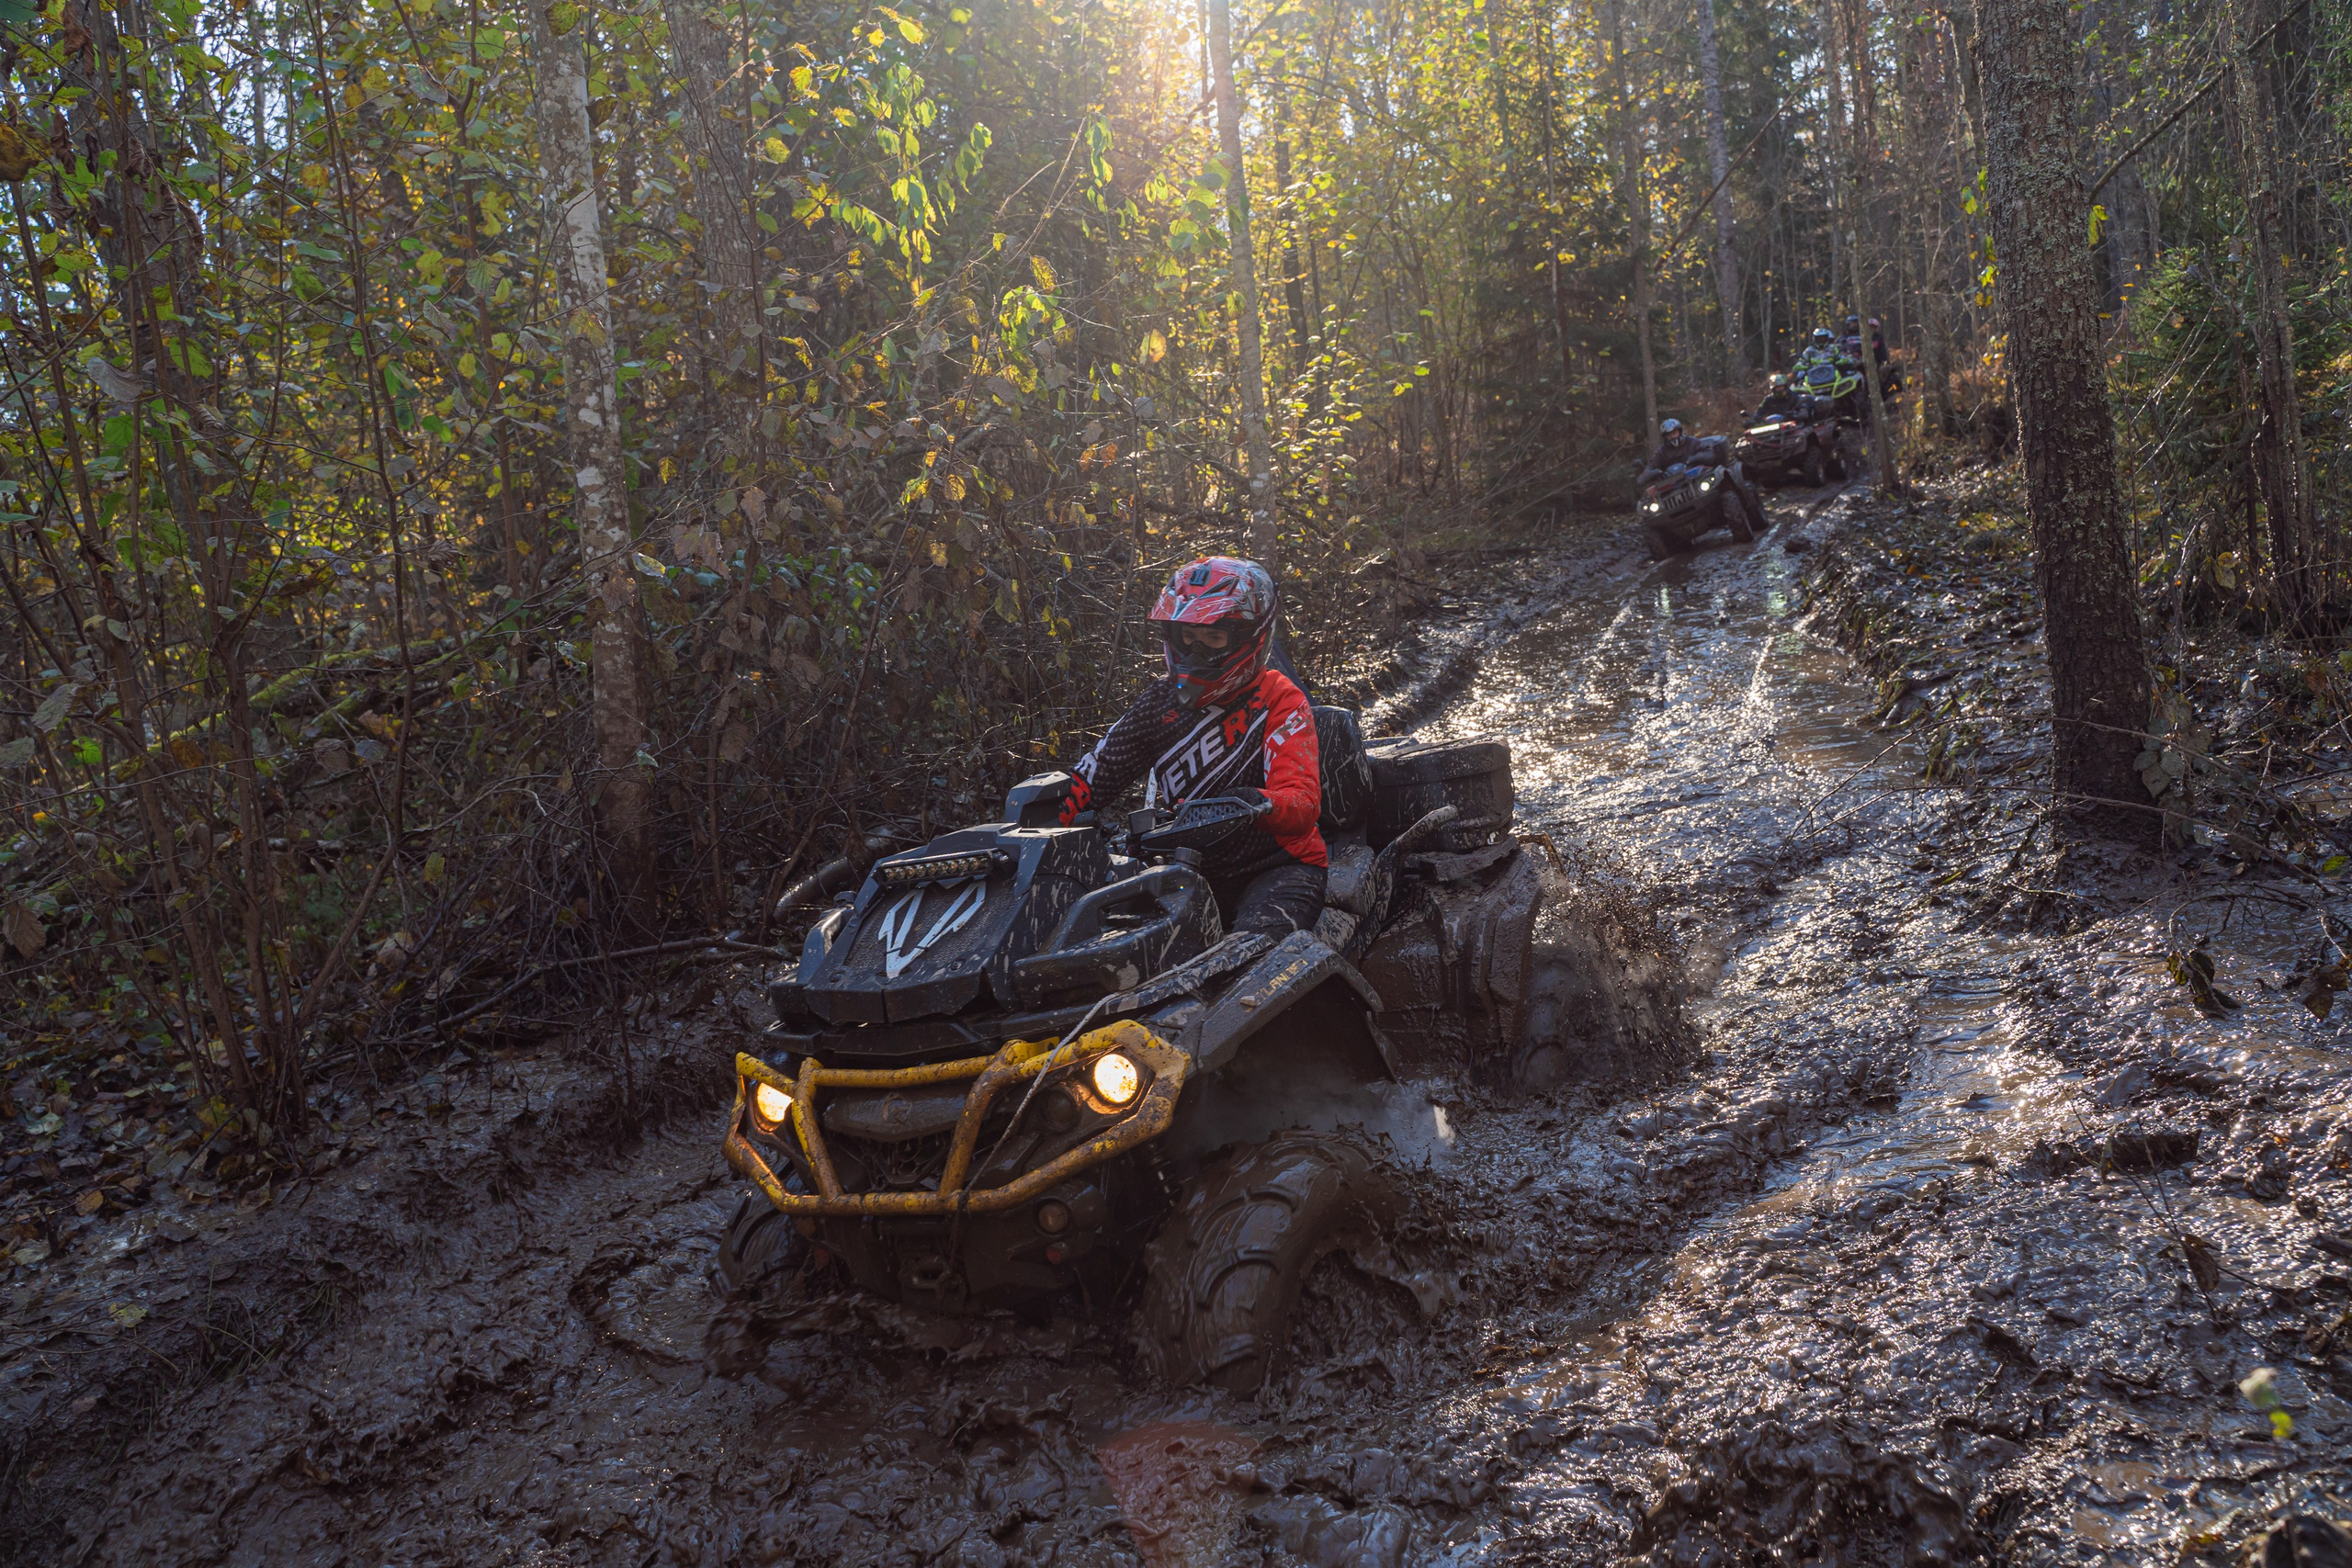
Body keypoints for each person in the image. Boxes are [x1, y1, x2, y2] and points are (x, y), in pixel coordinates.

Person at [1059, 557, 1327, 937]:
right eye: (1188, 637)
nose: (1196, 653)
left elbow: (1302, 801)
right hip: (1183, 871)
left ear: (1251, 637)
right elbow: (1091, 781)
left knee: (1257, 951)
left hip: (1276, 866)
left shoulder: (1280, 699)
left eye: (1214, 638)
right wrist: (1039, 820)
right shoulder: (1159, 702)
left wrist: (1252, 802)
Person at [1642, 416, 1697, 481]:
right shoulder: (1661, 451)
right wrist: (1646, 474)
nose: (1672, 437)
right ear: (1666, 437)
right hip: (1672, 484)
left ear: (1680, 432)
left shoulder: (1691, 442)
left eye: (1674, 433)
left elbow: (1705, 448)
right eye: (1669, 435)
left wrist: (1701, 457)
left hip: (1695, 477)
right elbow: (1652, 465)